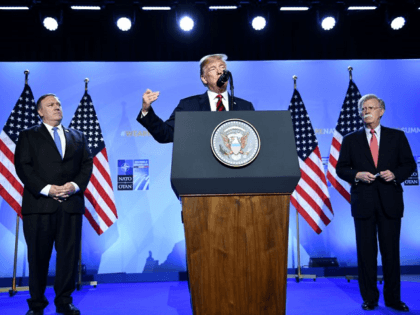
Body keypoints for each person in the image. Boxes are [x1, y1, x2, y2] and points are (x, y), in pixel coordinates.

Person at [14, 94, 93, 315]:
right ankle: (37, 304)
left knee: (68, 256)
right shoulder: (28, 136)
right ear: (40, 112)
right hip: (39, 206)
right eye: (50, 105)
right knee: (38, 257)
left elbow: (87, 165)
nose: (57, 107)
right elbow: (23, 167)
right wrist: (49, 189)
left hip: (71, 205)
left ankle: (64, 301)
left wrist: (74, 186)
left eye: (58, 104)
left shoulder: (78, 135)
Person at [336, 94, 415, 312]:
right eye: (363, 108)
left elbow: (409, 164)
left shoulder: (396, 137)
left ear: (381, 111)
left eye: (371, 107)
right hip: (363, 204)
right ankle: (369, 297)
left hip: (390, 202)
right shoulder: (350, 139)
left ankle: (393, 299)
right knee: (366, 253)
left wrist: (395, 174)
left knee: (391, 253)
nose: (366, 111)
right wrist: (357, 174)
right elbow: (341, 168)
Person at [137, 54, 255, 143]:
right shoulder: (188, 105)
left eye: (222, 67)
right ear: (204, 78)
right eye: (213, 69)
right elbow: (166, 134)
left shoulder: (245, 106)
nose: (220, 71)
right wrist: (146, 111)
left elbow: (253, 140)